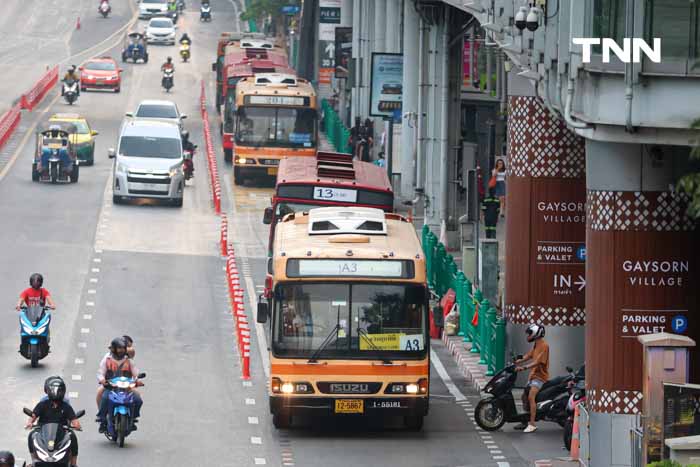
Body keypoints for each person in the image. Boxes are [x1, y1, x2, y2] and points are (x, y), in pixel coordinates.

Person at [25, 377, 81, 467]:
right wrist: (30, 422)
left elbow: (74, 420)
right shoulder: (43, 404)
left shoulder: (66, 406)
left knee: (72, 436)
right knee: (31, 435)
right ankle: (34, 460)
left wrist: (77, 425)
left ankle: (74, 464)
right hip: (43, 432)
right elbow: (33, 415)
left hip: (62, 433)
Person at [96, 337, 142, 433]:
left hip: (126, 387)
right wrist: (102, 380)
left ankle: (133, 418)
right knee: (104, 398)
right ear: (113, 349)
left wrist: (137, 380)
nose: (121, 350)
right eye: (119, 348)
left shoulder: (128, 360)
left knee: (138, 399)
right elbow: (100, 372)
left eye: (123, 348)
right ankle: (102, 420)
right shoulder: (107, 359)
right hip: (111, 387)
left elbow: (135, 372)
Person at [514, 324, 550, 433]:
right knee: (524, 397)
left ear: (535, 334)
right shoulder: (536, 345)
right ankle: (525, 420)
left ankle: (532, 424)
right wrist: (517, 361)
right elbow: (529, 356)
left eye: (529, 333)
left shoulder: (544, 346)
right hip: (533, 376)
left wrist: (524, 367)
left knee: (531, 397)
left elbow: (538, 362)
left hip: (540, 377)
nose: (528, 336)